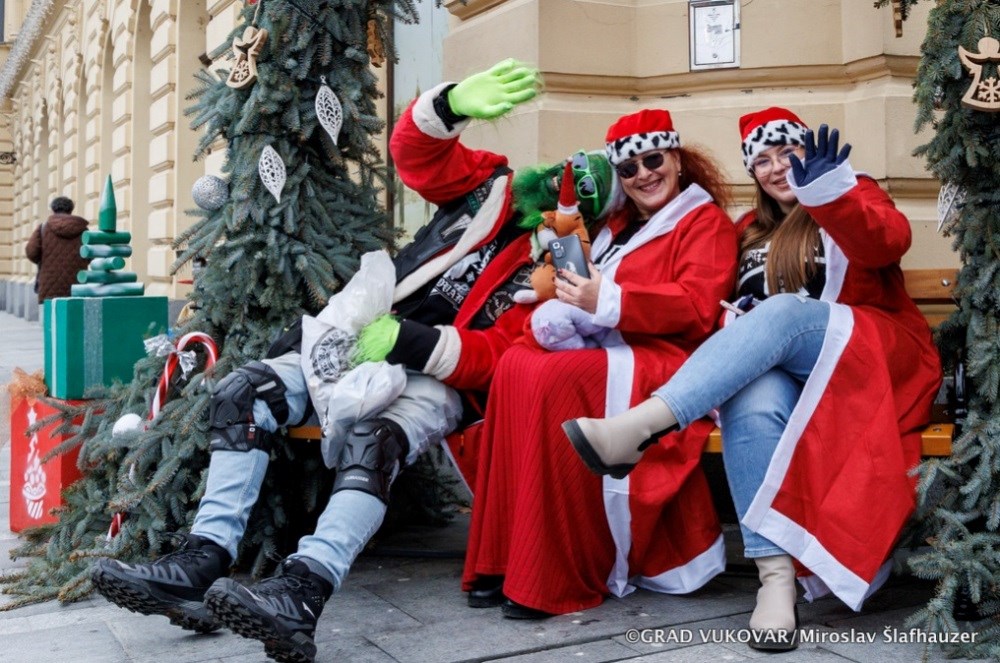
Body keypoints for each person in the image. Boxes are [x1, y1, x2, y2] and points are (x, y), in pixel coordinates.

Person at [90, 59, 616, 663]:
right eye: (571, 171)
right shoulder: (490, 190)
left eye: (587, 191)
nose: (567, 188)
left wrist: (408, 341)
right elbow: (415, 153)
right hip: (358, 335)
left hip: (435, 379)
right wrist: (452, 104)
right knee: (243, 393)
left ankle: (303, 591)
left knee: (375, 441)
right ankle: (202, 558)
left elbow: (500, 357)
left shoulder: (561, 276)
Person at [563, 107, 942, 650]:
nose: (776, 167)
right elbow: (709, 305)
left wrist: (830, 193)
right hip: (786, 370)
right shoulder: (747, 230)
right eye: (761, 160)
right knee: (752, 397)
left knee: (783, 311)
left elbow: (885, 243)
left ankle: (640, 427)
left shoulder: (851, 193)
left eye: (787, 152)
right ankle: (775, 584)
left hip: (868, 355)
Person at [461, 108, 738, 619]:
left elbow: (697, 308)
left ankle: (554, 571)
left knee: (554, 377)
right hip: (610, 346)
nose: (643, 175)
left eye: (653, 160)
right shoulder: (616, 226)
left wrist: (608, 302)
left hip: (667, 360)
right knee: (518, 364)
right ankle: (505, 555)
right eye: (628, 168)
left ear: (677, 159)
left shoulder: (706, 223)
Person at [25, 196, 89, 302]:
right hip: (77, 282)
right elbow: (90, 254)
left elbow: (31, 252)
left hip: (49, 282)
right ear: (71, 209)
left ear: (53, 209)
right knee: (75, 310)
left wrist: (44, 260)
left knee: (50, 311)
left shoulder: (43, 228)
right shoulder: (83, 229)